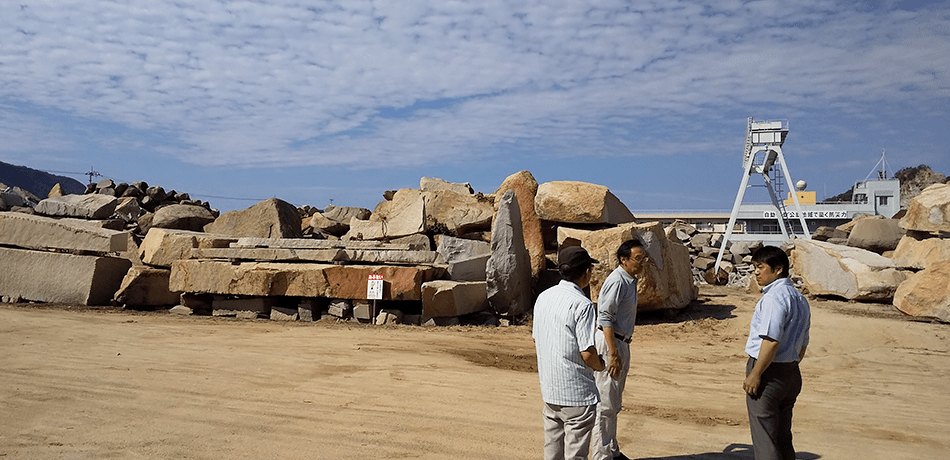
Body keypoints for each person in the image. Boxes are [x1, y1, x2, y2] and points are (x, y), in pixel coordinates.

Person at [533, 246, 606, 460]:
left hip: (551, 389)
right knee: (576, 455)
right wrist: (601, 365)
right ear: (586, 272)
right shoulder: (582, 305)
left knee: (552, 450)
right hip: (577, 393)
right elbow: (587, 353)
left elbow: (538, 338)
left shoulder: (543, 298)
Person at [742, 246, 811, 460]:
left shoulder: (774, 298)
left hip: (768, 373)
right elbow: (803, 344)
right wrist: (789, 366)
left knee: (765, 440)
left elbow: (771, 341)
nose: (756, 272)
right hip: (791, 372)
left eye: (760, 267)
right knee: (782, 437)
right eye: (755, 267)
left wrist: (756, 374)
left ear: (778, 269)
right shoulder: (800, 299)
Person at [592, 239, 647, 460]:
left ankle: (611, 450)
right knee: (605, 404)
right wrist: (613, 354)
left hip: (621, 342)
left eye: (644, 259)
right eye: (638, 259)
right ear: (624, 260)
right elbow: (605, 317)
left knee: (613, 402)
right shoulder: (617, 281)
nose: (642, 263)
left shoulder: (629, 280)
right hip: (610, 343)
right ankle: (601, 455)